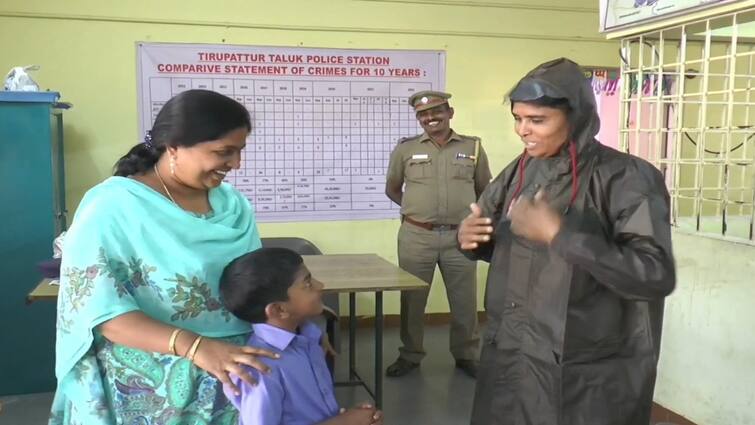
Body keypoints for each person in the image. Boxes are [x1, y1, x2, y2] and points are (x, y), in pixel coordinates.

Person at [458, 58, 676, 425]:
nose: (523, 131)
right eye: (518, 118)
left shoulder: (627, 178)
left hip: (584, 371)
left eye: (537, 120)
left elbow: (654, 274)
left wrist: (561, 234)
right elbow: (498, 239)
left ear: (574, 117)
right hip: (513, 357)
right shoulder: (520, 170)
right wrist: (472, 239)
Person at [50, 89, 278, 424]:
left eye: (239, 151)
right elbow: (100, 312)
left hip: (236, 369)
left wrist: (294, 321)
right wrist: (198, 348)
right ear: (173, 146)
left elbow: (254, 281)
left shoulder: (233, 205)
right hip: (151, 371)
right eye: (223, 152)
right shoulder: (113, 207)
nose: (236, 164)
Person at [384, 90, 492, 378]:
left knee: (464, 300)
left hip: (461, 237)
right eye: (423, 114)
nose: (430, 118)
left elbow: (485, 190)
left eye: (436, 111)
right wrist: (417, 212)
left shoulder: (473, 147)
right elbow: (393, 188)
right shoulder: (405, 149)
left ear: (450, 113)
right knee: (412, 299)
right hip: (417, 236)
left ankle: (467, 354)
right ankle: (410, 354)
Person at [219, 247, 384, 425]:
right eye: (308, 283)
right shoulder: (260, 370)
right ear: (279, 309)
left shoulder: (309, 336)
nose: (320, 285)